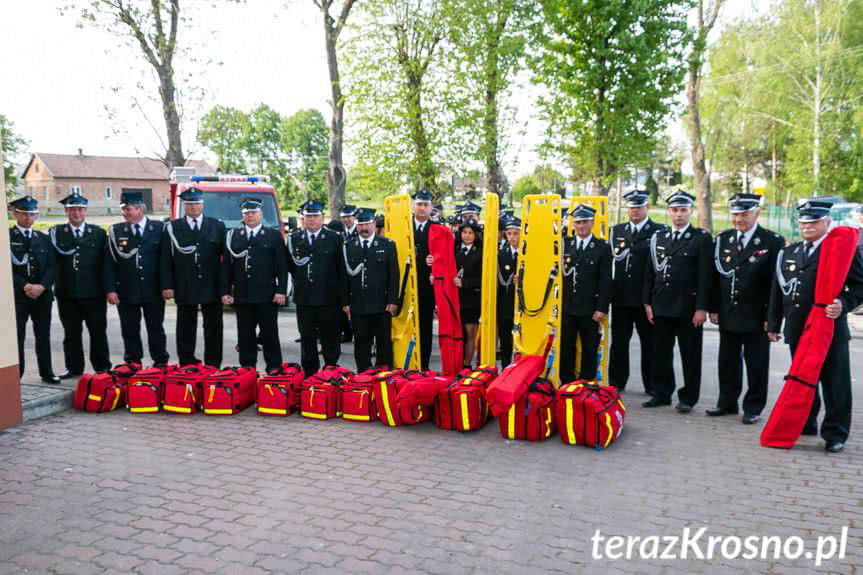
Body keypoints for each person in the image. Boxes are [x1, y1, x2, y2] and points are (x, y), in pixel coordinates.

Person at [767, 198, 863, 453]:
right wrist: (774, 324)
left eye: (814, 222)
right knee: (801, 379)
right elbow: (778, 290)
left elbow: (859, 285)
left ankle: (835, 433)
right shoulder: (790, 252)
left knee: (835, 382)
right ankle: (805, 422)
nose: (808, 226)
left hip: (830, 328)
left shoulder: (841, 250)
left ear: (827, 223)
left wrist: (843, 302)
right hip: (799, 327)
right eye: (803, 222)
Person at [707, 193, 785, 424]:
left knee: (757, 364)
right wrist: (714, 307)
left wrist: (772, 319)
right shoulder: (724, 239)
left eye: (744, 214)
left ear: (756, 213)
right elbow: (716, 277)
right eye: (735, 214)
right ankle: (727, 402)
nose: (739, 219)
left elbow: (775, 284)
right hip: (728, 311)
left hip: (756, 315)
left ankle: (753, 407)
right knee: (727, 361)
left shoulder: (771, 241)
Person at [642, 190, 713, 412]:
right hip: (661, 305)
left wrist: (701, 308)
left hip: (688, 308)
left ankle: (688, 398)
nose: (679, 214)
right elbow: (650, 274)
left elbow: (705, 277)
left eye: (683, 210)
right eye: (674, 210)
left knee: (690, 356)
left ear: (690, 211)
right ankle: (661, 393)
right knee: (660, 354)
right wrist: (647, 303)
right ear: (669, 212)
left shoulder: (701, 238)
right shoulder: (658, 238)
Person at [160, 188, 226, 367]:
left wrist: (225, 288)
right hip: (185, 283)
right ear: (184, 205)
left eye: (197, 203)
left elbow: (225, 260)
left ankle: (213, 364)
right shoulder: (173, 227)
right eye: (190, 204)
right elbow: (166, 259)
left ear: (202, 204)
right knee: (185, 327)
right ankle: (187, 362)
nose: (194, 207)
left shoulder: (217, 226)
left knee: (213, 328)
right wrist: (167, 285)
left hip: (211, 284)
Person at [608, 190, 666, 394]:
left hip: (646, 299)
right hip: (621, 298)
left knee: (650, 345)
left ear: (647, 207)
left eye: (639, 207)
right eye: (631, 207)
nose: (634, 211)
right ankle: (617, 381)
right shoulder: (616, 231)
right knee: (619, 344)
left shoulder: (659, 231)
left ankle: (651, 385)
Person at [221, 198, 287, 372]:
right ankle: (247, 368)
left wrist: (281, 291)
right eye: (246, 213)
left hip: (267, 294)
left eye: (253, 213)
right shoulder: (233, 235)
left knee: (269, 334)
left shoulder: (273, 235)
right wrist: (226, 291)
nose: (250, 216)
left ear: (261, 214)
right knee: (245, 335)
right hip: (242, 294)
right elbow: (227, 266)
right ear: (242, 215)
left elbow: (282, 266)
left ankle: (274, 367)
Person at [50, 192, 111, 378]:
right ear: (66, 212)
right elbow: (51, 262)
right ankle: (74, 368)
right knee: (71, 334)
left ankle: (102, 367)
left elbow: (106, 264)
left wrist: (109, 289)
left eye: (80, 209)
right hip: (67, 293)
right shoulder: (56, 233)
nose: (76, 213)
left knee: (98, 332)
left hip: (94, 293)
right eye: (72, 209)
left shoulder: (99, 233)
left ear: (85, 211)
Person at [105, 191, 169, 366]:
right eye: (123, 209)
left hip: (153, 289)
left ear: (140, 209)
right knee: (129, 329)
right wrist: (110, 289)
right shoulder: (116, 231)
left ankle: (160, 361)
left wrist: (167, 286)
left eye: (128, 209)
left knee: (156, 328)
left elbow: (165, 261)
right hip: (126, 290)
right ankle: (133, 362)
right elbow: (109, 263)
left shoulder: (159, 228)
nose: (125, 213)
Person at [287, 200, 345, 375]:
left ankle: (330, 369)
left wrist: (343, 299)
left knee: (330, 336)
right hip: (304, 298)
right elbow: (289, 266)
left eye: (315, 216)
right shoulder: (294, 238)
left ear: (322, 218)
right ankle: (310, 372)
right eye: (308, 216)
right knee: (307, 337)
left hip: (328, 298)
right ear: (303, 219)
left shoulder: (335, 238)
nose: (311, 220)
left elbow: (341, 270)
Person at [560, 204, 612, 383]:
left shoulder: (602, 248)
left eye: (584, 222)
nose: (581, 226)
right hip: (568, 307)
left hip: (590, 308)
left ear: (592, 223)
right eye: (578, 222)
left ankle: (587, 383)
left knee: (590, 347)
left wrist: (602, 308)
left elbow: (606, 281)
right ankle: (566, 382)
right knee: (566, 346)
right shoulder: (566, 244)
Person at [9, 195, 59, 383]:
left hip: (41, 296)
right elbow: (6, 267)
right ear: (15, 214)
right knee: (18, 337)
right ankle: (17, 374)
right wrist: (24, 285)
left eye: (32, 214)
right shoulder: (7, 237)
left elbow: (53, 266)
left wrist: (43, 286)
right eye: (24, 214)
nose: (28, 218)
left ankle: (46, 372)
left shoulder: (43, 238)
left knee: (43, 336)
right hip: (19, 296)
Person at [342, 208, 399, 372]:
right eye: (360, 224)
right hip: (358, 304)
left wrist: (393, 301)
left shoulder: (387, 245)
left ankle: (383, 377)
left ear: (374, 224)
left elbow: (394, 275)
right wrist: (345, 302)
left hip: (382, 304)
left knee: (383, 343)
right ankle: (363, 377)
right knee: (361, 343)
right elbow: (344, 277)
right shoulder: (348, 246)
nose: (364, 228)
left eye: (367, 223)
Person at [413, 190, 438, 370]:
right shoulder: (404, 226)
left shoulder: (436, 228)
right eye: (419, 204)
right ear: (413, 206)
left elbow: (445, 256)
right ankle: (407, 364)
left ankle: (424, 365)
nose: (422, 208)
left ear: (431, 208)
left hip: (427, 286)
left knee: (425, 327)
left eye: (425, 205)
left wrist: (435, 262)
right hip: (406, 286)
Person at [454, 218, 483, 369]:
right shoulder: (454, 249)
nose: (467, 236)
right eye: (464, 232)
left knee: (470, 332)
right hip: (456, 298)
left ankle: (467, 364)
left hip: (472, 298)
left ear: (476, 235)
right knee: (458, 333)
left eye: (470, 233)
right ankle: (457, 362)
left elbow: (484, 278)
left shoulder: (481, 252)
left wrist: (465, 283)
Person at [497, 216, 520, 369]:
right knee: (506, 338)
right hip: (505, 303)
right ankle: (506, 367)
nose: (512, 237)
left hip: (522, 305)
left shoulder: (528, 253)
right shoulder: (500, 254)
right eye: (509, 233)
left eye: (515, 233)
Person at [338, 205, 357, 343]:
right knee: (343, 302)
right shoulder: (338, 233)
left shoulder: (359, 231)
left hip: (356, 270)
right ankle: (346, 331)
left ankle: (356, 329)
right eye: (344, 217)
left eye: (349, 216)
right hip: (343, 271)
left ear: (354, 217)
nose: (346, 219)